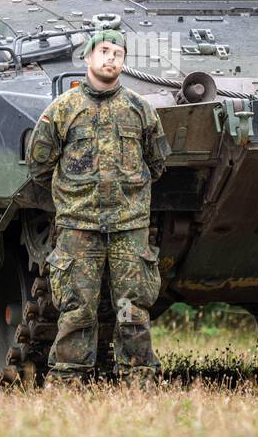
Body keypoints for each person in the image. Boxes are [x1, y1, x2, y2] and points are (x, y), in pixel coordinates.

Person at [27, 29, 171, 384]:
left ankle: (138, 379)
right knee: (77, 309)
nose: (111, 59)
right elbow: (40, 165)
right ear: (88, 58)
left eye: (118, 53)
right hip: (79, 227)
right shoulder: (62, 110)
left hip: (128, 226)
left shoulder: (140, 109)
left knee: (132, 308)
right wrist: (76, 198)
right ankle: (69, 380)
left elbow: (157, 163)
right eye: (104, 51)